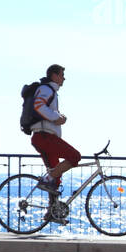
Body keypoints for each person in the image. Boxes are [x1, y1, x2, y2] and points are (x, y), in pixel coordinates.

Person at [31, 63, 81, 197]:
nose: (64, 78)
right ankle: (47, 179)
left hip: (44, 137)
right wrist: (56, 118)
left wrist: (58, 117)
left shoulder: (49, 90)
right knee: (75, 156)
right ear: (54, 76)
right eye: (62, 75)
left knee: (55, 177)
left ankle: (52, 212)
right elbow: (38, 106)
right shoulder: (46, 89)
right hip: (45, 137)